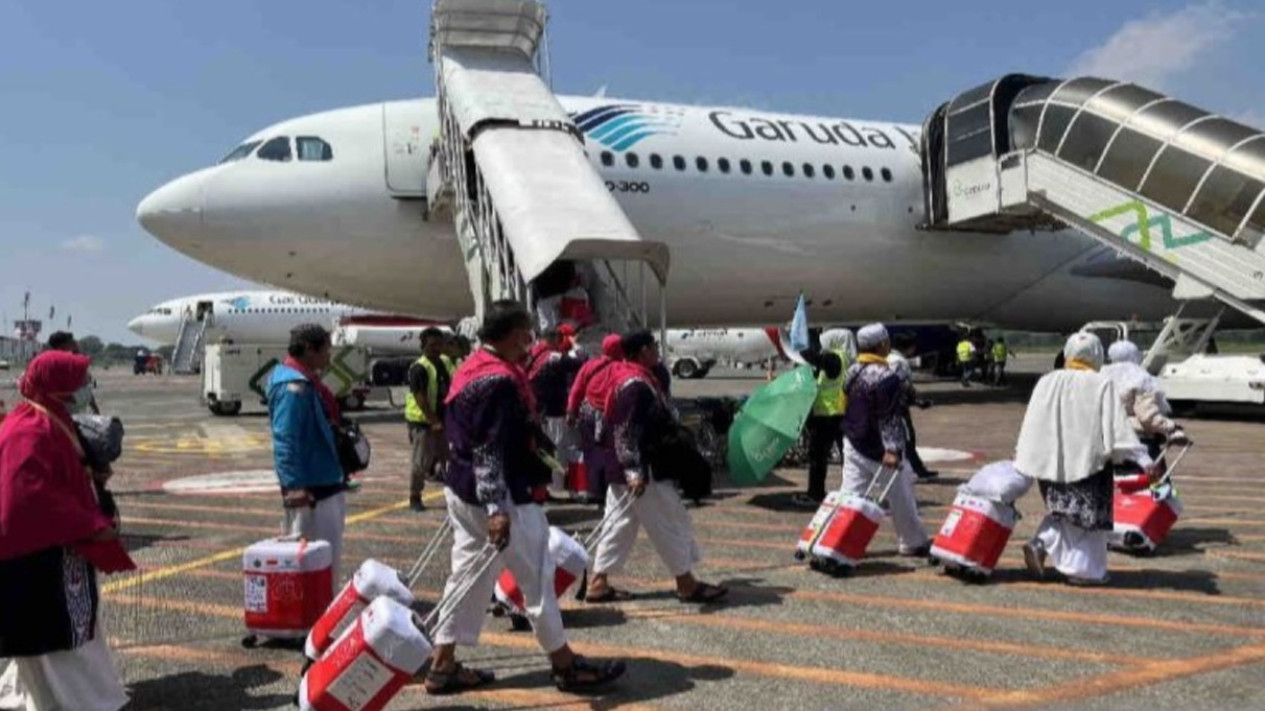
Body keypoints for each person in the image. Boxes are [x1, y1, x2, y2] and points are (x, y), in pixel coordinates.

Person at [428, 300, 625, 694]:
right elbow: (489, 447)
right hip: (502, 498)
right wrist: (497, 508)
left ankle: (442, 663)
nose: (530, 342)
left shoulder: (471, 367)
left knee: (467, 577)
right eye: (527, 335)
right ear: (517, 335)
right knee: (537, 577)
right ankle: (565, 665)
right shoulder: (498, 381)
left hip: (462, 490)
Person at [0, 351, 129, 711]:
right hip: (36, 560)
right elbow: (28, 500)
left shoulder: (51, 419)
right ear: (58, 387)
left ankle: (80, 697)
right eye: (79, 381)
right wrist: (90, 525)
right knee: (57, 642)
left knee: (73, 638)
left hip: (58, 553)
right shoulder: (28, 431)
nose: (86, 388)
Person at [584, 330, 727, 604]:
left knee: (618, 525)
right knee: (669, 521)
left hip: (621, 468)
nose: (657, 351)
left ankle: (598, 582)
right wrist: (635, 472)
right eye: (653, 347)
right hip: (643, 470)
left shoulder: (623, 376)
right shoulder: (636, 386)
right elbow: (626, 432)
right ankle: (686, 583)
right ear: (643, 352)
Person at [1016, 332, 1155, 586]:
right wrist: (1143, 459)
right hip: (1088, 465)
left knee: (1065, 512)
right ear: (1097, 354)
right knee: (1089, 519)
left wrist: (1026, 457)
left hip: (1051, 464)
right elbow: (1117, 427)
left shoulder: (1047, 381)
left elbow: (1032, 423)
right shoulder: (1100, 383)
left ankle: (1043, 542)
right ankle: (1085, 571)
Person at [267, 324, 347, 595]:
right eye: (326, 350)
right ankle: (317, 612)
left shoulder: (304, 382)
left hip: (324, 481)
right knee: (317, 559)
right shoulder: (294, 387)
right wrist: (294, 487)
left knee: (323, 558)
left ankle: (320, 608)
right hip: (313, 490)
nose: (329, 357)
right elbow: (285, 440)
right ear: (309, 350)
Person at [841, 324, 931, 557]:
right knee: (901, 497)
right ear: (882, 345)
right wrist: (891, 450)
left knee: (850, 496)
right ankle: (912, 541)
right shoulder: (885, 377)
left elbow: (846, 402)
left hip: (853, 441)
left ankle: (842, 542)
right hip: (879, 449)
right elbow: (889, 417)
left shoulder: (852, 370)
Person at [792, 329, 855, 508]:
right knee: (846, 456)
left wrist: (799, 343)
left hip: (829, 415)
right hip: (838, 414)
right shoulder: (843, 359)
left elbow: (815, 358)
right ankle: (851, 493)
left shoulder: (835, 358)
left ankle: (816, 493)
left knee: (818, 457)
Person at [1100, 340, 1189, 462]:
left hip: (1105, 438)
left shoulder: (1100, 374)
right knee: (1155, 472)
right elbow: (1147, 416)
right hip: (1135, 439)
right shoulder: (1140, 377)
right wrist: (1171, 427)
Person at [566, 334, 624, 505]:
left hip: (587, 413)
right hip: (609, 415)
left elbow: (576, 389)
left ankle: (594, 489)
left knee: (592, 453)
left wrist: (571, 410)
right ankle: (609, 489)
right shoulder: (621, 367)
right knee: (611, 452)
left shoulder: (590, 365)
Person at [526, 328, 582, 497]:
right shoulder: (551, 356)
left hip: (537, 412)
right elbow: (579, 362)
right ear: (553, 338)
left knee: (542, 451)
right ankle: (559, 487)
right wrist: (576, 346)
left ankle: (543, 487)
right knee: (562, 449)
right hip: (554, 413)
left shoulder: (532, 354)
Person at [405, 328, 451, 511]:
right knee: (421, 462)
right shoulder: (419, 368)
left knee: (448, 459)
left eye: (439, 344)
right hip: (423, 422)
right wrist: (433, 421)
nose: (437, 348)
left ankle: (455, 496)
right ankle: (415, 497)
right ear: (423, 346)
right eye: (432, 345)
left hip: (442, 419)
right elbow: (420, 398)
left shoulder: (443, 363)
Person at [888, 332, 937, 480]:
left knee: (898, 439)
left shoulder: (888, 358)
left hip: (889, 405)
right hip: (897, 406)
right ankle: (917, 471)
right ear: (908, 347)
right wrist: (916, 400)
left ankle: (916, 469)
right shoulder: (898, 361)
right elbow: (902, 384)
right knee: (907, 439)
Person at [46, 332, 99, 415]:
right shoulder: (67, 360)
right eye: (71, 342)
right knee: (88, 392)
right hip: (65, 401)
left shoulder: (49, 358)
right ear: (63, 345)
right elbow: (84, 382)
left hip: (54, 401)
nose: (74, 343)